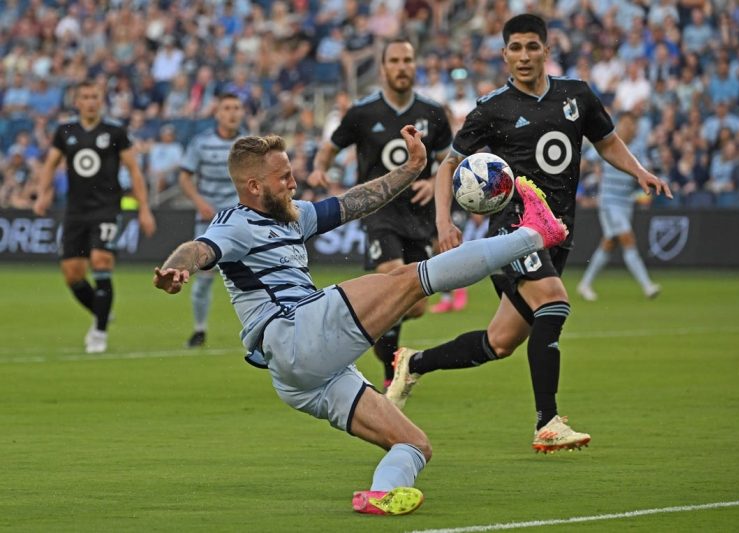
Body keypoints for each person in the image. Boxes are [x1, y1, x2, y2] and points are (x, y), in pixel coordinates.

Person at [153, 125, 568, 514]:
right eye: (283, 178)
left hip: (302, 375)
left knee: (414, 445)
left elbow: (354, 202)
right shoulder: (235, 224)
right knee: (408, 279)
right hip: (296, 331)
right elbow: (199, 248)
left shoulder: (292, 215)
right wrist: (178, 268)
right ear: (254, 186)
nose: (293, 182)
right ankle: (533, 234)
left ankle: (382, 492)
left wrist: (410, 169)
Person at [385, 14, 672, 453]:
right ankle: (547, 421)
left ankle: (414, 362)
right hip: (514, 229)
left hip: (558, 233)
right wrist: (445, 222)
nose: (523, 56)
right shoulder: (491, 108)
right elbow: (447, 166)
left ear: (545, 49)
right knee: (554, 303)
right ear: (504, 54)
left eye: (531, 47)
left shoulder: (577, 96)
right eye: (514, 48)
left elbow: (607, 141)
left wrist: (639, 171)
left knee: (499, 343)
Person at [308, 37, 453, 389]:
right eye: (395, 61)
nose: (402, 66)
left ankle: (387, 358)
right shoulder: (363, 112)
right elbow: (330, 146)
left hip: (418, 216)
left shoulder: (433, 112)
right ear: (384, 68)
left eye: (408, 60)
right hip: (378, 211)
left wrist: (432, 179)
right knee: (394, 276)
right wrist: (319, 168)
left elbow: (451, 160)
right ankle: (356, 334)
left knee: (413, 303)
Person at [33, 79, 156, 353]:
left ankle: (99, 333)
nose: (90, 101)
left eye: (95, 97)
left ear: (101, 101)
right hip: (75, 211)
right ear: (77, 102)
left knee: (101, 260)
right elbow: (50, 164)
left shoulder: (115, 132)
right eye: (85, 97)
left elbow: (134, 170)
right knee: (72, 275)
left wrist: (144, 208)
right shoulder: (65, 131)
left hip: (106, 209)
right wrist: (43, 194)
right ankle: (102, 310)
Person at [178, 92, 245, 348]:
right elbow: (185, 177)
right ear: (217, 113)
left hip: (242, 220)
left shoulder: (249, 144)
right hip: (209, 222)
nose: (232, 113)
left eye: (236, 107)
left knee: (250, 278)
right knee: (204, 278)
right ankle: (199, 329)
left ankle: (260, 332)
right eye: (227, 108)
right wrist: (199, 202)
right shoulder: (201, 142)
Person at [577, 113, 661, 301]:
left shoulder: (638, 149)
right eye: (624, 124)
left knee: (609, 242)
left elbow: (646, 172)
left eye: (631, 125)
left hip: (626, 203)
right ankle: (647, 286)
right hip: (609, 202)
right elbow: (587, 160)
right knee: (627, 238)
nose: (627, 128)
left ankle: (585, 283)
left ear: (635, 129)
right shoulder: (608, 143)